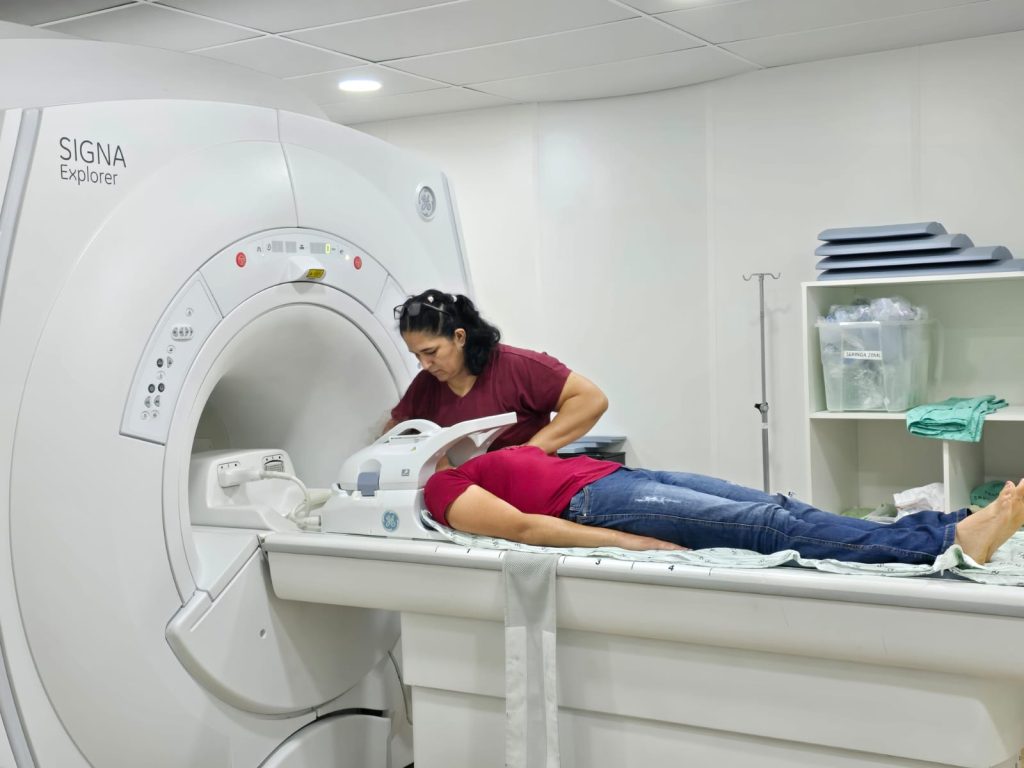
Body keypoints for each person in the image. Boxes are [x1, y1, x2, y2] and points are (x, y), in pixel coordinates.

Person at [423, 445, 1024, 565]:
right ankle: (945, 545)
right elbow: (525, 529)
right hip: (595, 502)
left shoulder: (475, 454)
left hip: (622, 476)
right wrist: (628, 542)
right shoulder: (439, 488)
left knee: (781, 506)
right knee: (767, 526)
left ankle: (952, 523)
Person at [387, 290, 608, 462]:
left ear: (459, 337)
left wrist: (528, 452)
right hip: (470, 491)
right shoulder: (425, 385)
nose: (424, 364)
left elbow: (591, 400)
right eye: (416, 355)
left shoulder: (516, 366)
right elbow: (394, 433)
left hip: (528, 480)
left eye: (431, 352)